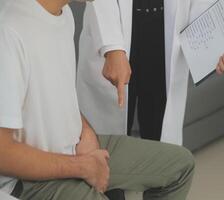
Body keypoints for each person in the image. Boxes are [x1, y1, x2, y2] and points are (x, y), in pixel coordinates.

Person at [0, 0, 195, 199]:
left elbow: (56, 97)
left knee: (181, 167)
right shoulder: (9, 32)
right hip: (28, 182)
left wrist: (86, 131)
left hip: (73, 149)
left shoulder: (62, 15)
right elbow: (2, 153)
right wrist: (80, 167)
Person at [77, 0, 224, 144]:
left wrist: (220, 46)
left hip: (164, 38)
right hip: (113, 35)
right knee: (105, 144)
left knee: (160, 136)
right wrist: (111, 48)